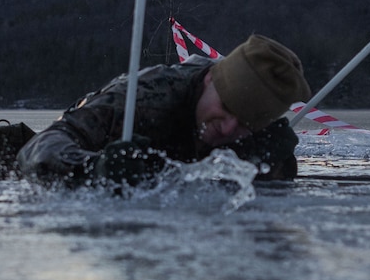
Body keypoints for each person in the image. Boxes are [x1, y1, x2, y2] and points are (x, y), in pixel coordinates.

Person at [17, 34, 312, 188]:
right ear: (210, 78)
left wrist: (273, 164)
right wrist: (95, 169)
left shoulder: (251, 131)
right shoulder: (146, 95)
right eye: (224, 108)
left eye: (245, 124)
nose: (227, 129)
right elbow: (38, 149)